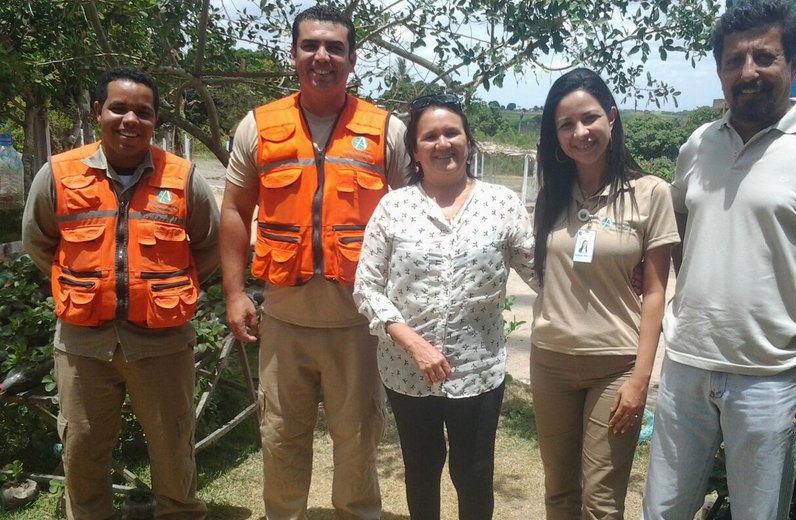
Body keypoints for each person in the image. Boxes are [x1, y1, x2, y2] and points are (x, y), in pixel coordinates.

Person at [641, 1, 796, 518]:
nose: (748, 71)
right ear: (720, 70)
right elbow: (679, 226)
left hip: (773, 379)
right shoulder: (698, 144)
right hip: (686, 365)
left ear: (793, 62)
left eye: (764, 57)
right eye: (735, 60)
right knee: (662, 510)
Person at [219, 5, 411, 519]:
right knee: (282, 437)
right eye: (310, 46)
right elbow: (236, 211)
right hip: (284, 320)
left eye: (334, 48)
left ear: (352, 59)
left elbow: (409, 221)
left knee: (358, 441)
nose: (322, 57)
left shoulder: (386, 130)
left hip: (359, 323)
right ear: (293, 54)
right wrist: (235, 294)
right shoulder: (257, 126)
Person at [22, 66, 217, 519]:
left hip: (163, 341)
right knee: (83, 446)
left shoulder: (184, 178)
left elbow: (208, 245)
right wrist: (84, 285)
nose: (130, 119)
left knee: (173, 445)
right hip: (83, 342)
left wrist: (172, 289)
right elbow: (39, 242)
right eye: (119, 108)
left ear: (156, 122)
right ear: (98, 112)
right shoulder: (58, 174)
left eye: (143, 112)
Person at [353, 92, 535, 520]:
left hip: (478, 370)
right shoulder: (393, 208)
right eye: (429, 136)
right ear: (415, 151)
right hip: (406, 370)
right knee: (421, 468)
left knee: (474, 473)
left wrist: (616, 271)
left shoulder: (502, 204)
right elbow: (367, 287)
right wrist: (412, 342)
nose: (442, 143)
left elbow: (541, 271)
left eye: (452, 133)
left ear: (468, 141)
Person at [529, 68, 679, 520]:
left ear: (611, 117)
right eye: (566, 125)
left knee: (602, 501)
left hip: (614, 365)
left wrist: (640, 379)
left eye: (590, 119)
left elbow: (655, 292)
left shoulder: (651, 193)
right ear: (556, 136)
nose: (580, 132)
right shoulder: (552, 195)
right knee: (558, 492)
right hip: (550, 360)